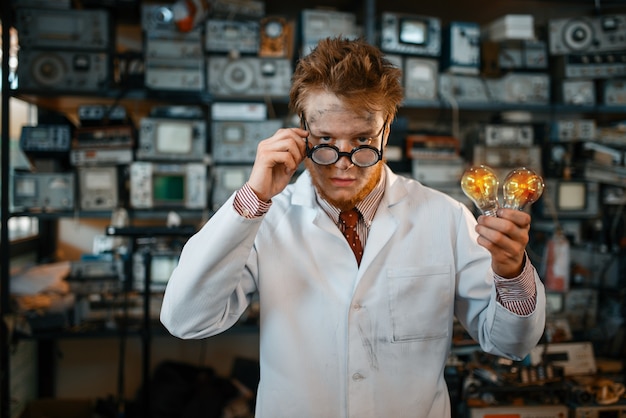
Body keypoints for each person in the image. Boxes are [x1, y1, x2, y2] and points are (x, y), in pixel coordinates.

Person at [160, 37, 546, 417]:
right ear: (301, 132)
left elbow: (509, 343)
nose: (343, 163)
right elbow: (186, 320)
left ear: (387, 130)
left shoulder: (443, 217)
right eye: (325, 140)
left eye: (362, 140)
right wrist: (252, 197)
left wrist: (512, 273)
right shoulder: (267, 217)